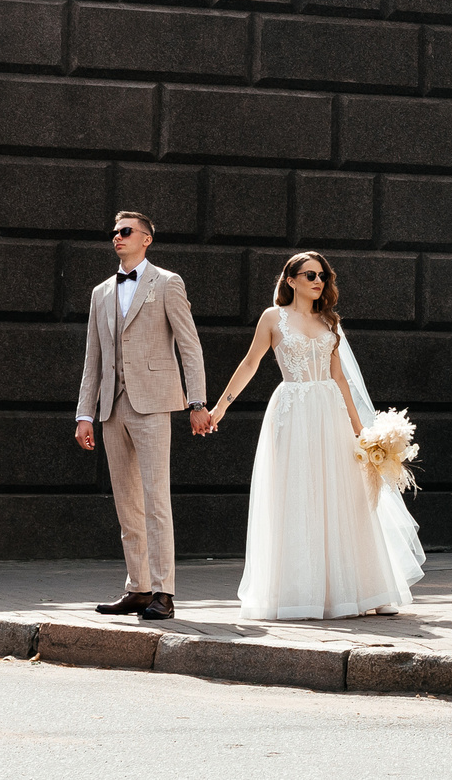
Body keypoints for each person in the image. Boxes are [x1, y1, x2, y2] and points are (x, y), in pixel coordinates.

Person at [208, 251, 424, 620]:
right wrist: (220, 408)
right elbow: (250, 363)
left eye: (322, 275)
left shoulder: (330, 321)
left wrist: (362, 431)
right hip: (292, 411)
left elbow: (340, 378)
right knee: (298, 495)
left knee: (346, 497)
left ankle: (368, 590)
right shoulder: (273, 318)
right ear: (289, 280)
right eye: (309, 274)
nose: (317, 280)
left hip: (330, 411)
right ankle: (302, 593)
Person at [74, 212, 211, 621]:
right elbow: (92, 360)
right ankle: (138, 587)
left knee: (155, 499)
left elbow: (190, 346)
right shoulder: (101, 292)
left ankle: (164, 592)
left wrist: (197, 402)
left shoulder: (167, 283)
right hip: (113, 407)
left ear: (146, 239)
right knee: (126, 503)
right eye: (114, 232)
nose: (117, 237)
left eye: (126, 231)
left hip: (153, 402)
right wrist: (85, 414)